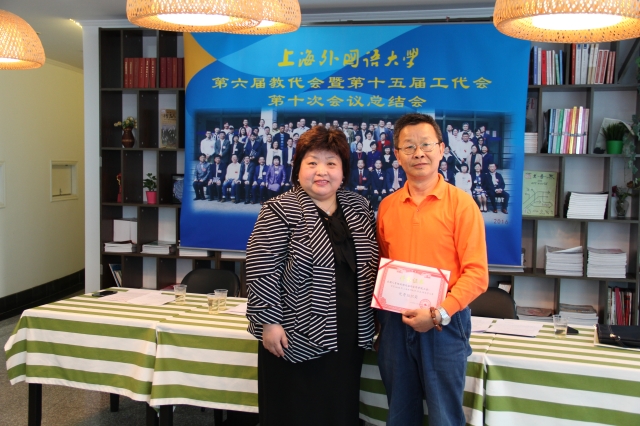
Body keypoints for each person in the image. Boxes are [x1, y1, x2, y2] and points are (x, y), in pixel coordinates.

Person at [246, 125, 378, 426]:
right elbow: (261, 269)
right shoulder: (279, 209)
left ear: (343, 171)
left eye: (331, 163)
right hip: (294, 332)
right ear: (298, 169)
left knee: (339, 410)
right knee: (296, 411)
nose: (322, 171)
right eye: (312, 162)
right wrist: (269, 322)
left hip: (349, 332)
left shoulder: (359, 207)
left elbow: (373, 262)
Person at [376, 113, 488, 426]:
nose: (419, 153)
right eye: (409, 147)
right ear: (397, 155)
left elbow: (477, 275)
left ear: (441, 149)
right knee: (400, 414)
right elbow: (383, 267)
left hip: (444, 323)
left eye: (426, 145)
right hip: (396, 323)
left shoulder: (462, 205)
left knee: (444, 417)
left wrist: (439, 314)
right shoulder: (387, 207)